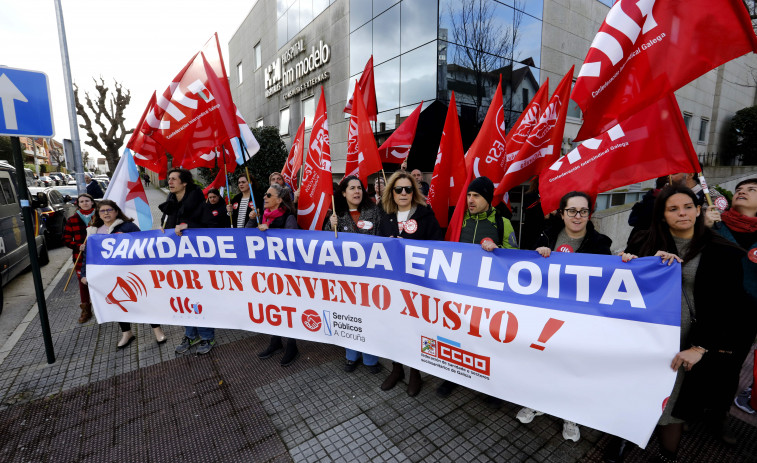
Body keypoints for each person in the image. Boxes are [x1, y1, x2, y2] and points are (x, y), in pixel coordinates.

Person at [621, 185, 751, 461]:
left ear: (698, 210)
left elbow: (729, 308)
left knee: (675, 403)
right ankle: (625, 439)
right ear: (662, 216)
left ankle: (668, 455)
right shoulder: (644, 241)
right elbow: (622, 285)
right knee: (634, 392)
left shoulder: (724, 252)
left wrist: (701, 347)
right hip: (645, 339)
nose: (682, 213)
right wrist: (632, 263)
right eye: (673, 209)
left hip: (687, 345)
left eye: (688, 207)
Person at [516, 191, 611, 443]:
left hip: (579, 319)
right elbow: (521, 267)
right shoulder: (545, 234)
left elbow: (609, 280)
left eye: (583, 211)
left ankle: (570, 414)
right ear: (562, 213)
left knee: (571, 366)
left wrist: (626, 262)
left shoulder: (601, 244)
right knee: (542, 360)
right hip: (545, 315)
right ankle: (537, 402)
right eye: (571, 211)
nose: (577, 216)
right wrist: (537, 254)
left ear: (589, 214)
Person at [436, 176, 518, 398]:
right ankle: (451, 376)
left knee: (486, 339)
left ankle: (489, 387)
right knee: (456, 335)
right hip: (458, 292)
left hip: (487, 296)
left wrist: (498, 248)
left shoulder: (502, 223)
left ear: (488, 199)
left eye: (476, 196)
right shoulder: (459, 220)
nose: (470, 200)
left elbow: (514, 258)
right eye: (469, 195)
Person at [378, 170, 443, 396]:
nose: (403, 193)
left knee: (415, 330)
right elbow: (374, 244)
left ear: (414, 192)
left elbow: (438, 246)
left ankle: (415, 372)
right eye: (399, 189)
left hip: (416, 285)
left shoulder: (425, 214)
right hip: (391, 286)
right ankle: (397, 369)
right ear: (392, 193)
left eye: (408, 189)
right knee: (394, 328)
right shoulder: (384, 214)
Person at [80, 200, 166, 348]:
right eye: (102, 211)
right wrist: (84, 273)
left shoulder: (128, 226)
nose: (106, 213)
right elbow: (88, 255)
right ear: (98, 214)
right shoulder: (93, 231)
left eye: (109, 210)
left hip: (131, 272)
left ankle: (157, 330)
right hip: (107, 275)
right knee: (118, 304)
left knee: (143, 300)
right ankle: (127, 333)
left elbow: (142, 245)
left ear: (116, 211)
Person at [707, 178, 757, 416]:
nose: (742, 192)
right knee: (701, 361)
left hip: (746, 316)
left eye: (751, 190)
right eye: (739, 189)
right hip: (710, 306)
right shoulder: (714, 224)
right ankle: (688, 412)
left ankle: (719, 416)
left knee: (731, 367)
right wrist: (703, 228)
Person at [324, 175, 383, 374]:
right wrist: (328, 226)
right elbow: (326, 246)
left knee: (369, 317)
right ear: (343, 192)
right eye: (352, 188)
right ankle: (351, 355)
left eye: (359, 188)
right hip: (345, 279)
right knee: (349, 316)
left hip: (370, 277)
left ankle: (371, 358)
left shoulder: (373, 211)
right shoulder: (336, 215)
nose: (357, 191)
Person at [160, 168, 216, 355]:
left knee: (199, 298)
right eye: (169, 179)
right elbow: (170, 228)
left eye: (174, 179)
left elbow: (212, 228)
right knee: (183, 298)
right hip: (177, 260)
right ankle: (190, 334)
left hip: (198, 261)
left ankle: (207, 336)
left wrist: (188, 226)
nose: (170, 182)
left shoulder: (199, 202)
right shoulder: (170, 204)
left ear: (184, 183)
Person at [249, 183, 301, 367]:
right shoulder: (263, 217)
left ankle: (292, 346)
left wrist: (270, 233)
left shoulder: (289, 218)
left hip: (285, 273)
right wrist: (252, 221)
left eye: (268, 195)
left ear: (279, 200)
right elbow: (246, 237)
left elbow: (292, 243)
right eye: (265, 194)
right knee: (272, 307)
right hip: (267, 272)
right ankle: (275, 341)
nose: (264, 197)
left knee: (288, 308)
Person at [62, 193, 96, 324]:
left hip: (98, 257)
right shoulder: (72, 220)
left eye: (87, 200)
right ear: (78, 204)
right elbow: (65, 240)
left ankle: (105, 308)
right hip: (80, 257)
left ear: (92, 202)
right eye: (82, 201)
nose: (85, 203)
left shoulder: (99, 216)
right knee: (83, 283)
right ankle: (86, 310)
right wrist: (77, 246)